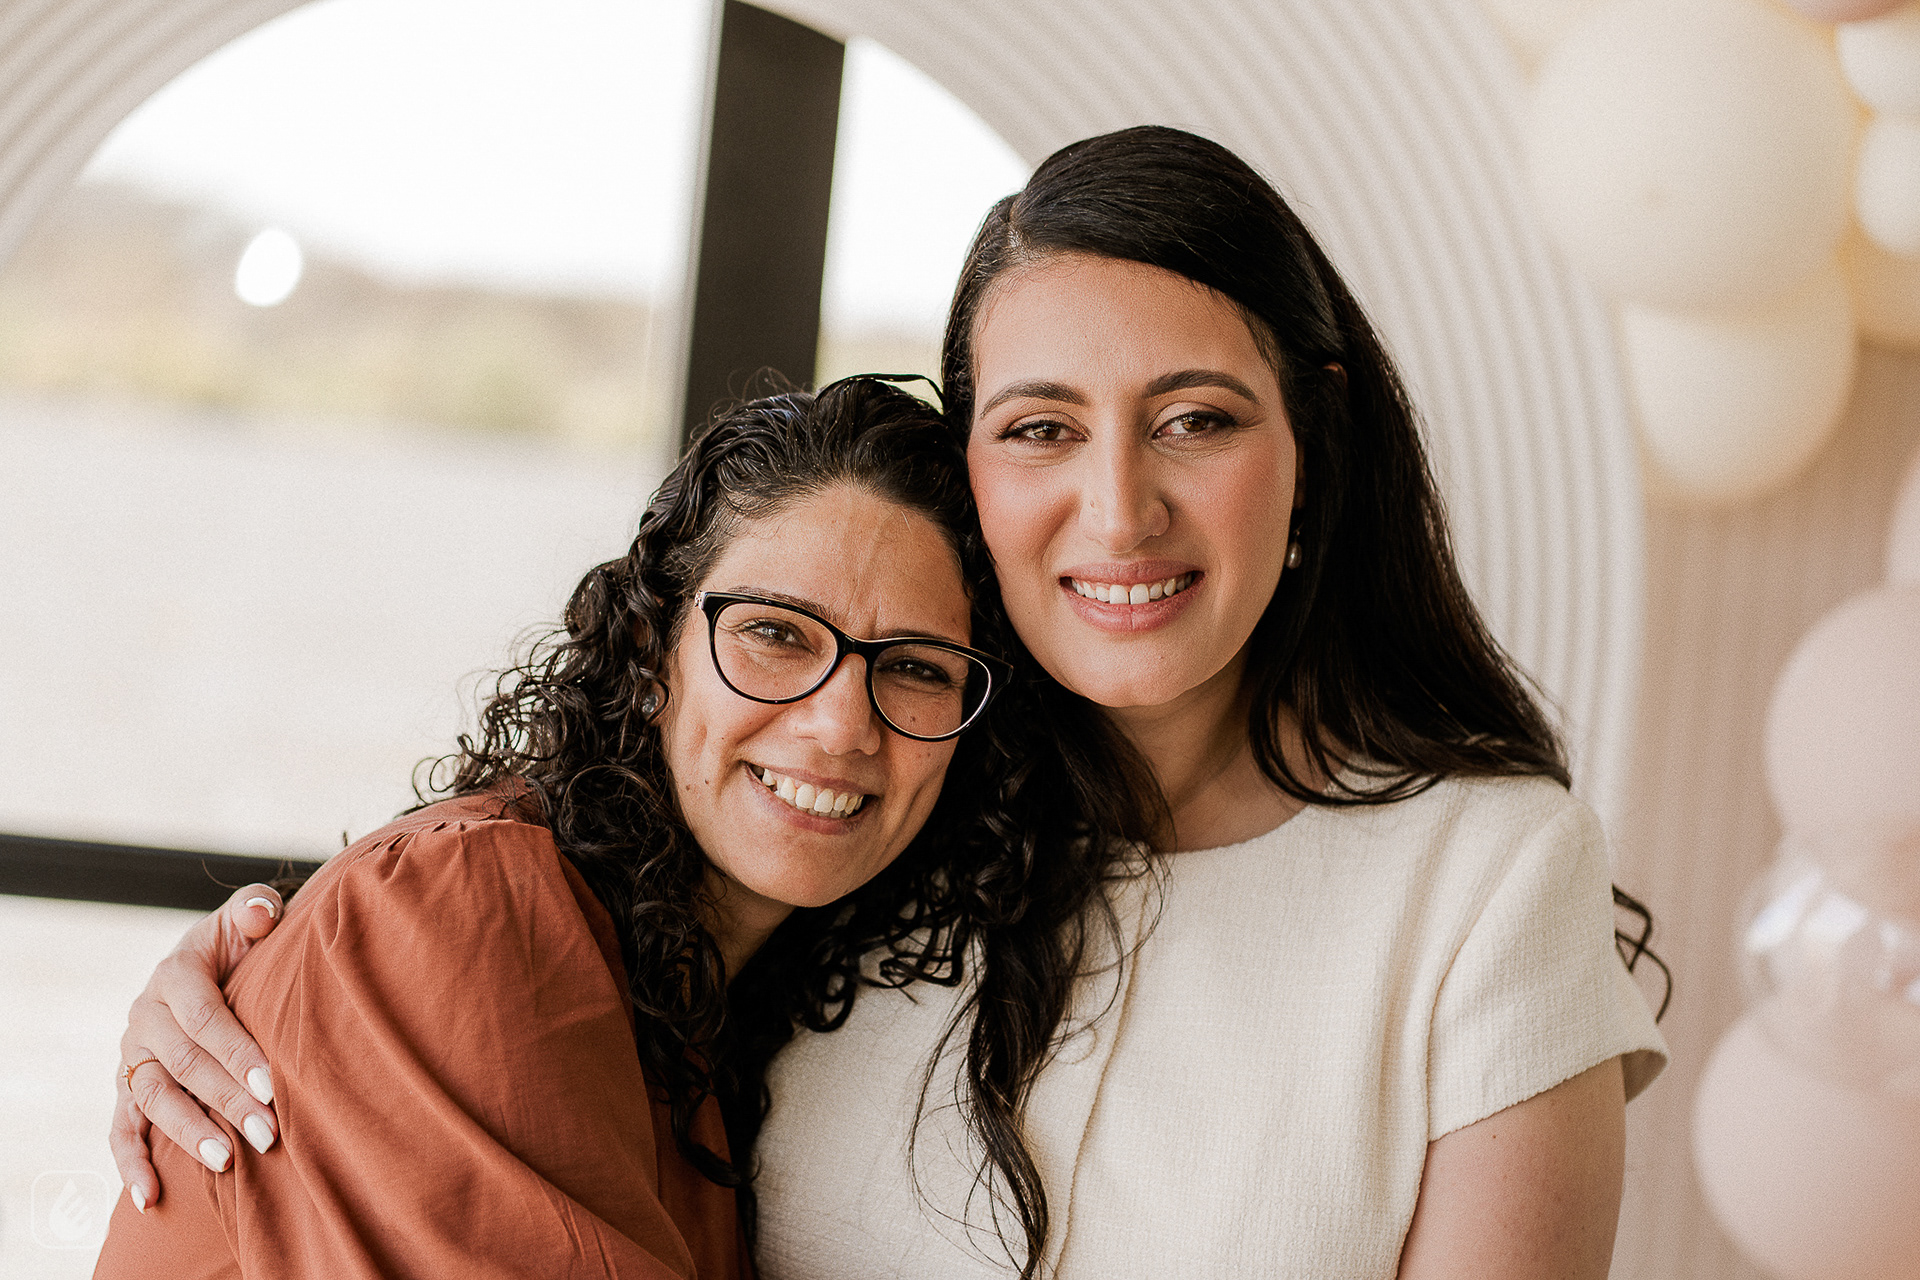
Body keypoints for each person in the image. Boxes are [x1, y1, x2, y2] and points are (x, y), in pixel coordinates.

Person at [112, 127, 1668, 1279]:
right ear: (979, 466)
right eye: (1043, 427)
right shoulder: (899, 833)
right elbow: (503, 992)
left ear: (1314, 443)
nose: (1119, 511)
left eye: (1196, 419)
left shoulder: (1483, 878)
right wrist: (278, 966)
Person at [93, 376, 1020, 1279]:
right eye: (776, 633)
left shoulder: (713, 1016)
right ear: (652, 651)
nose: (842, 725)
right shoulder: (462, 911)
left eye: (917, 668)